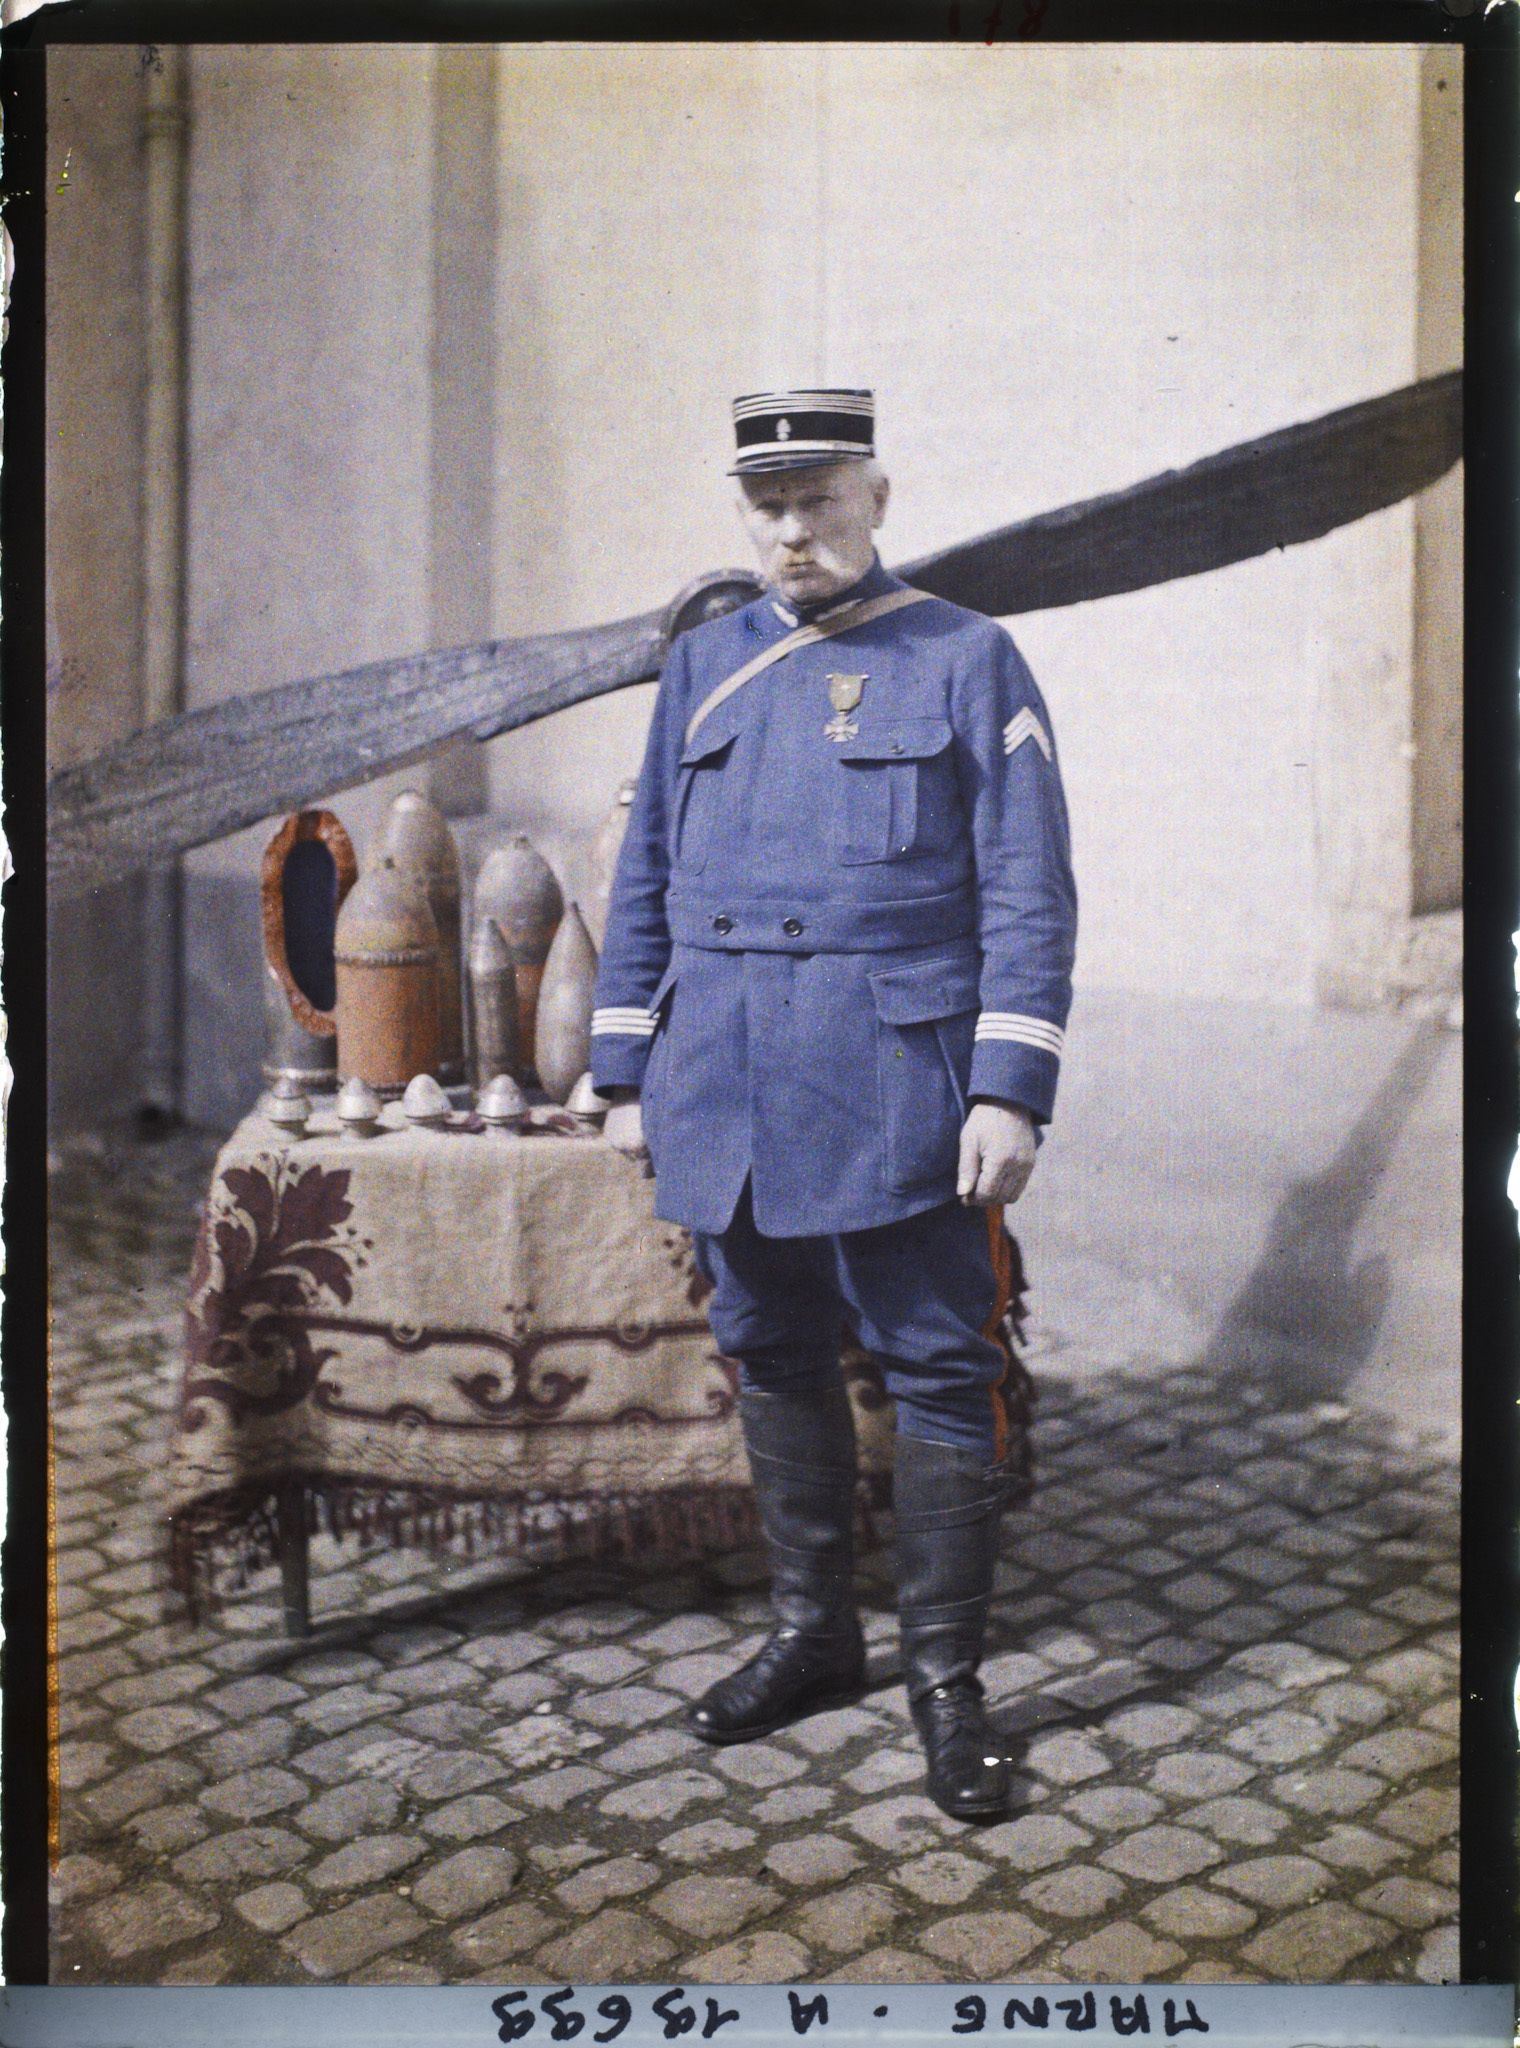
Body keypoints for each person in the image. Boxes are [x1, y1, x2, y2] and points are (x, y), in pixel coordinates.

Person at [590, 389, 1076, 1819]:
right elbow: (650, 879)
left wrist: (1008, 1088)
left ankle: (948, 1687)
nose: (794, 526)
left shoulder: (967, 659)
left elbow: (1031, 893)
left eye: (821, 494)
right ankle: (813, 1636)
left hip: (894, 1082)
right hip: (726, 1075)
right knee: (768, 1343)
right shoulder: (707, 666)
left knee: (937, 1364)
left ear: (879, 494)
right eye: (769, 502)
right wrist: (626, 1070)